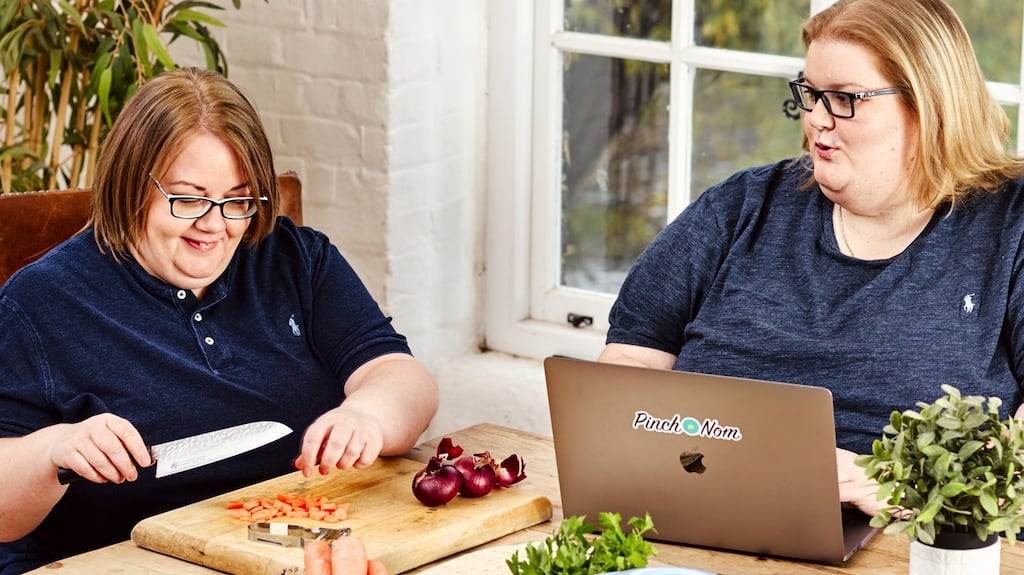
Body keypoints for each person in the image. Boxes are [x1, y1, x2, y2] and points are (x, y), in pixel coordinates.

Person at [0, 67, 439, 574]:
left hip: (283, 544)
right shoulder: (38, 303)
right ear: (129, 186)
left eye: (238, 199)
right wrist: (52, 450)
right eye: (188, 198)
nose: (214, 225)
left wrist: (369, 414)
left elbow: (404, 378)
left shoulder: (295, 259)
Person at [598, 0, 1024, 518]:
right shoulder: (742, 206)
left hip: (916, 543)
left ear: (930, 105)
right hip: (707, 517)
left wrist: (907, 487)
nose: (817, 120)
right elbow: (628, 365)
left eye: (844, 98)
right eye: (810, 93)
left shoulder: (1010, 223)